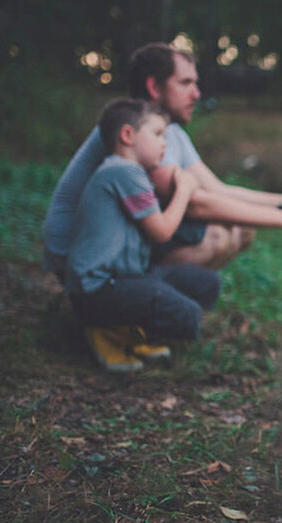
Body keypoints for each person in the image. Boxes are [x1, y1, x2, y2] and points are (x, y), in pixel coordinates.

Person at [43, 42, 282, 278]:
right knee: (218, 236)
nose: (197, 94)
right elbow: (196, 204)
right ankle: (129, 316)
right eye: (186, 83)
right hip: (77, 255)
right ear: (154, 86)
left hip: (118, 242)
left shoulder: (169, 131)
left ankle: (157, 310)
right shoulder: (136, 135)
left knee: (241, 228)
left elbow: (218, 189)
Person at [66, 98, 220, 372]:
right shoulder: (123, 172)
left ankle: (126, 328)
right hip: (97, 290)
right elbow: (161, 231)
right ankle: (105, 329)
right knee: (188, 316)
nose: (165, 143)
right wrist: (184, 188)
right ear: (127, 135)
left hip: (125, 278)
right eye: (158, 134)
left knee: (206, 283)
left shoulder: (128, 172)